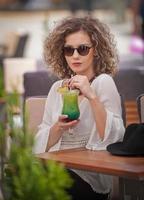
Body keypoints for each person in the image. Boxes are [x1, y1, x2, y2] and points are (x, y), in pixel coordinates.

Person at [33, 16, 125, 200]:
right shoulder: (57, 88)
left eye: (82, 49)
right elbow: (41, 140)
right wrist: (57, 128)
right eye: (69, 50)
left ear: (96, 51)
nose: (75, 56)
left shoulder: (103, 83)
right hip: (57, 166)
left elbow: (114, 137)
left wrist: (91, 95)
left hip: (89, 176)